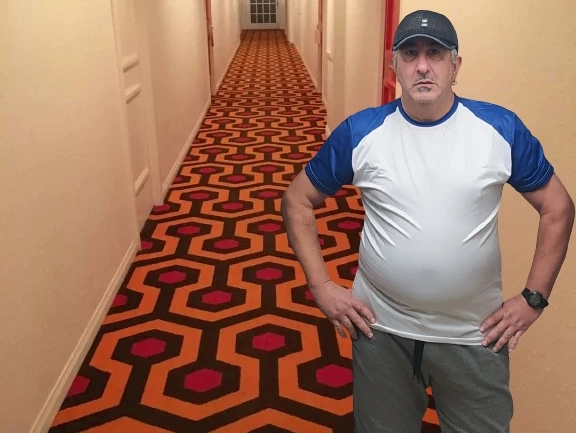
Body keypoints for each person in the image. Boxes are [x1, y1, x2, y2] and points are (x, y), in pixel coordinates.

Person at [281, 9, 574, 433]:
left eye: (435, 53)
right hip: (381, 332)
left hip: (474, 336)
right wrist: (321, 286)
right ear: (393, 65)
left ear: (455, 65)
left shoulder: (499, 129)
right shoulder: (361, 133)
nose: (422, 65)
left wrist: (533, 298)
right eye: (410, 54)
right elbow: (296, 201)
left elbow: (558, 208)